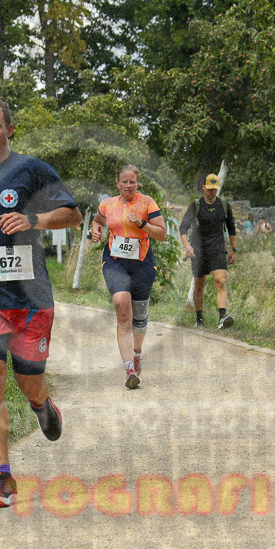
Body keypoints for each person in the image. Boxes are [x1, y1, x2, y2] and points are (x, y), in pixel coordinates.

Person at [0, 95, 82, 509]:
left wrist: (34, 219)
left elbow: (72, 213)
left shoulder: (33, 170)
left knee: (29, 379)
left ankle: (41, 404)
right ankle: (3, 479)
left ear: (9, 129)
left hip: (30, 297)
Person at [89, 165, 168, 390]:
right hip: (115, 261)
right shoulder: (107, 204)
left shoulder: (147, 203)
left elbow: (162, 234)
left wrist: (141, 223)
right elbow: (97, 221)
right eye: (124, 182)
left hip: (142, 262)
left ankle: (137, 352)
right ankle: (129, 369)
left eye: (132, 182)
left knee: (140, 316)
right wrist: (95, 231)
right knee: (123, 307)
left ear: (138, 184)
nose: (128, 186)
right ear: (117, 184)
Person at [180, 173, 238, 330]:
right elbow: (183, 228)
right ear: (204, 187)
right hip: (198, 249)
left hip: (218, 249)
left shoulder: (224, 206)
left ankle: (222, 317)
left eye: (215, 189)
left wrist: (234, 250)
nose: (212, 192)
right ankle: (199, 319)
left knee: (220, 281)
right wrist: (187, 246)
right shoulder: (196, 205)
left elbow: (232, 229)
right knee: (199, 284)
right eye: (210, 189)